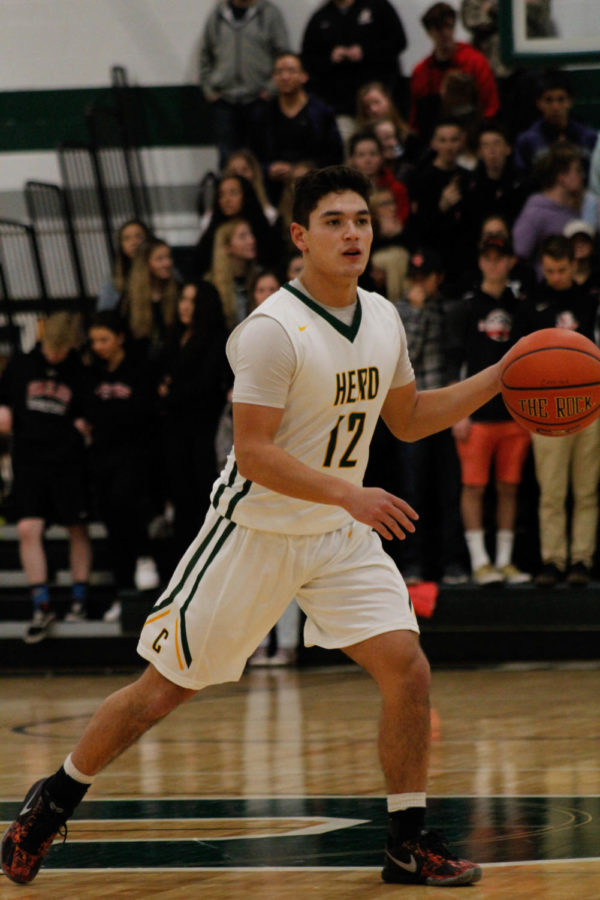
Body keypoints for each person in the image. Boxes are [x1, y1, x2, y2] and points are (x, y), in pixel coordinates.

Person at [2, 164, 517, 889]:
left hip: (336, 534)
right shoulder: (272, 331)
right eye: (335, 221)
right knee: (162, 691)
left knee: (407, 667)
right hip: (255, 531)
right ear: (301, 237)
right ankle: (52, 800)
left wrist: (499, 376)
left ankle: (408, 841)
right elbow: (254, 454)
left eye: (362, 220)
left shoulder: (382, 316)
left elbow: (407, 418)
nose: (353, 233)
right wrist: (350, 494)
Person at [0, 313, 91, 642]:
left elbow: (87, 410)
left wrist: (83, 426)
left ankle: (80, 597)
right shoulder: (22, 365)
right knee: (28, 527)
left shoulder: (78, 370)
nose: (55, 355)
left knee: (76, 527)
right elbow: (5, 401)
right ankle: (41, 604)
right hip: (29, 460)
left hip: (66, 461)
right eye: (51, 349)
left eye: (61, 350)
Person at [516, 235, 600, 587]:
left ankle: (581, 559)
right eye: (549, 270)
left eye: (562, 270)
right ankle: (552, 560)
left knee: (586, 489)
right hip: (544, 408)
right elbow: (518, 359)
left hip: (589, 404)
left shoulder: (590, 300)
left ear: (574, 266)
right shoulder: (531, 302)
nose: (555, 276)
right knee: (550, 490)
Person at [448, 235, 532, 585]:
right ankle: (480, 561)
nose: (494, 264)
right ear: (481, 261)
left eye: (500, 258)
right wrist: (458, 413)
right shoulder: (467, 307)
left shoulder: (521, 306)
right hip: (476, 415)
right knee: (473, 487)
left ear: (510, 261)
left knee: (509, 487)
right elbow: (458, 362)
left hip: (514, 415)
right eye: (488, 257)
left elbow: (531, 362)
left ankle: (504, 560)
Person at [391, 248, 468, 585]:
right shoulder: (398, 311)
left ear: (438, 279)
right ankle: (413, 565)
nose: (418, 284)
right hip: (414, 411)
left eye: (425, 277)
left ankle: (452, 562)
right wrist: (419, 312)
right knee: (412, 490)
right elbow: (408, 354)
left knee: (450, 490)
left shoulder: (451, 309)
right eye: (414, 277)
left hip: (447, 410)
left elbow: (458, 359)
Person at [83, 313, 161, 623]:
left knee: (124, 499)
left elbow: (142, 413)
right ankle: (123, 591)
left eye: (104, 339)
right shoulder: (92, 374)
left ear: (119, 338)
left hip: (134, 453)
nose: (98, 346)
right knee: (112, 522)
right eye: (94, 341)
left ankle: (145, 556)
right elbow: (91, 412)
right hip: (102, 455)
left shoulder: (138, 371)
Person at [158, 283, 228, 556]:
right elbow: (162, 376)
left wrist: (169, 393)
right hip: (175, 428)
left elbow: (205, 384)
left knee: (201, 493)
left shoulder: (216, 338)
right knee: (180, 494)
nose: (185, 306)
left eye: (192, 300)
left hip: (202, 428)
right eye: (183, 299)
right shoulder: (174, 335)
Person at [199, 0, 289, 167]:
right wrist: (210, 91)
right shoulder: (217, 15)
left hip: (260, 100)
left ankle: (260, 193)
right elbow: (205, 55)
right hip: (223, 102)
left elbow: (283, 54)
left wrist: (270, 89)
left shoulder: (269, 14)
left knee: (261, 160)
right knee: (227, 161)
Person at [251, 53, 344, 205]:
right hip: (273, 191)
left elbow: (334, 155)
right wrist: (268, 168)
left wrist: (304, 170)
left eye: (291, 71)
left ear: (303, 76)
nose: (285, 76)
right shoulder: (262, 114)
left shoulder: (321, 112)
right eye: (279, 72)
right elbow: (253, 155)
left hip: (315, 188)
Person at [301, 0, 407, 130]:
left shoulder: (378, 7)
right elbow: (308, 59)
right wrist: (330, 58)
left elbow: (398, 41)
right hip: (340, 106)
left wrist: (365, 51)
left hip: (378, 99)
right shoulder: (320, 17)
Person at [410, 2, 499, 142]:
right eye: (438, 28)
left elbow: (490, 106)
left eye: (449, 26)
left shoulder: (474, 61)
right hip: (433, 139)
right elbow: (416, 119)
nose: (445, 33)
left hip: (471, 135)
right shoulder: (421, 72)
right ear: (429, 32)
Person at [408, 118, 472, 291]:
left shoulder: (468, 177)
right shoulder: (422, 179)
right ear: (434, 143)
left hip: (464, 253)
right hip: (435, 252)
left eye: (453, 139)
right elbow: (419, 227)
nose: (449, 146)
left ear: (461, 142)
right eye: (443, 140)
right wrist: (441, 206)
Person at [512, 143, 584, 278]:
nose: (581, 177)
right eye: (577, 170)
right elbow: (519, 252)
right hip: (544, 289)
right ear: (562, 177)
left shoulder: (575, 210)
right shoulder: (535, 211)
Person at [514, 69, 598, 179]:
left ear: (570, 101)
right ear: (539, 103)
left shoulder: (589, 138)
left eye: (561, 100)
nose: (555, 107)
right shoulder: (527, 141)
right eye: (548, 100)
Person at [194, 173, 278, 278]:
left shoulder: (262, 230)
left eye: (233, 193)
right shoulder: (212, 233)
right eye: (221, 195)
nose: (226, 200)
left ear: (246, 195)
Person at [120, 237, 180, 361]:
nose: (167, 263)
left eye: (168, 257)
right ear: (145, 263)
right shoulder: (129, 300)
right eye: (159, 259)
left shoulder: (179, 292)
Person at [207, 218, 260, 330]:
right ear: (227, 247)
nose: (251, 240)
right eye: (242, 236)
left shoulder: (260, 277)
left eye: (251, 235)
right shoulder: (211, 285)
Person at [347, 131, 410, 224]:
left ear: (382, 157)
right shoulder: (346, 192)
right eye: (361, 155)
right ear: (352, 159)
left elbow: (403, 219)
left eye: (373, 154)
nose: (367, 160)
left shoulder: (396, 189)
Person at [96, 220, 153, 312]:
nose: (133, 242)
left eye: (139, 237)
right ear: (121, 245)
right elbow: (104, 312)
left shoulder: (162, 270)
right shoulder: (115, 281)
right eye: (127, 239)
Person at [222, 148, 278, 224]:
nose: (239, 175)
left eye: (244, 170)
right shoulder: (218, 215)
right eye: (234, 171)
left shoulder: (269, 214)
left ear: (254, 173)